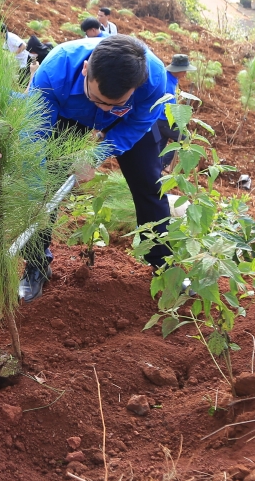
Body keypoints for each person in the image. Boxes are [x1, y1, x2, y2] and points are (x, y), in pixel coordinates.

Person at [24, 35, 171, 301]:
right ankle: (37, 264)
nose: (103, 108)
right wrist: (36, 190)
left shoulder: (153, 77)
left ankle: (164, 266)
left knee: (150, 185)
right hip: (68, 117)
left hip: (125, 123)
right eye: (97, 98)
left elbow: (139, 123)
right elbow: (34, 138)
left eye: (112, 104)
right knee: (45, 185)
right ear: (85, 69)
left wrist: (95, 155)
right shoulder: (56, 70)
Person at [154, 53, 193, 171]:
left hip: (156, 121)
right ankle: (161, 166)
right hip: (163, 120)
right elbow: (169, 108)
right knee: (185, 140)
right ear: (178, 69)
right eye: (184, 71)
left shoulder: (170, 77)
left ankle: (155, 170)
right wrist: (180, 120)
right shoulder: (168, 84)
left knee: (159, 147)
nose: (185, 74)